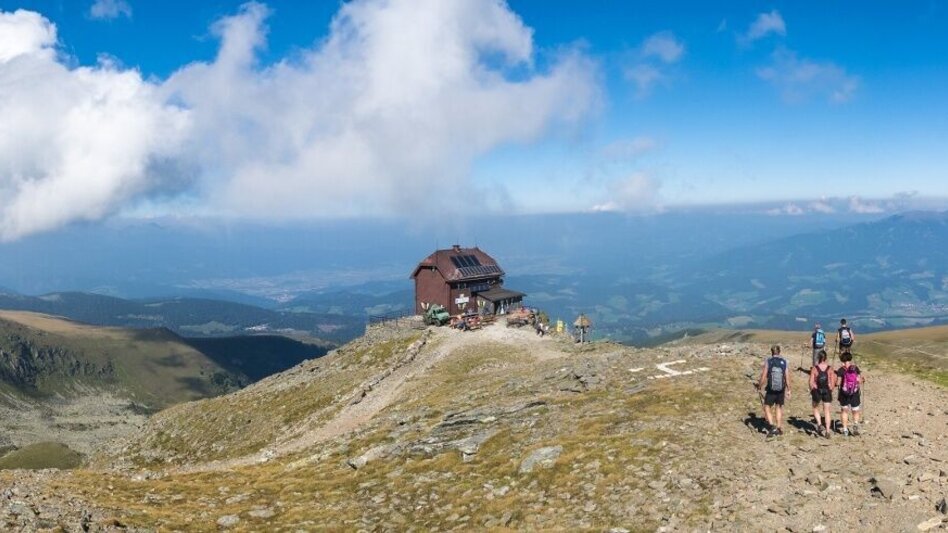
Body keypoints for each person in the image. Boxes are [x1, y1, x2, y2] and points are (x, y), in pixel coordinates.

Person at [757, 345, 791, 437]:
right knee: (778, 407)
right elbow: (787, 377)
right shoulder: (784, 362)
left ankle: (772, 426)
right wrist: (789, 389)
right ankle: (779, 427)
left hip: (771, 389)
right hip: (781, 389)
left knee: (767, 406)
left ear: (771, 352)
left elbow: (764, 376)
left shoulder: (768, 361)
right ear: (779, 352)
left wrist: (759, 386)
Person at [835, 351, 864, 436]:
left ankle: (845, 430)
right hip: (854, 393)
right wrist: (862, 380)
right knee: (855, 410)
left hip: (844, 394)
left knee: (844, 411)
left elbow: (838, 383)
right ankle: (855, 425)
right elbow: (859, 381)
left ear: (842, 360)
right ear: (850, 359)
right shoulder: (855, 368)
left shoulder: (840, 370)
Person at [808, 350, 835, 438]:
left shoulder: (814, 368)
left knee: (815, 407)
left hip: (817, 391)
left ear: (818, 358)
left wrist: (812, 390)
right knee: (827, 411)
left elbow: (811, 382)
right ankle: (827, 431)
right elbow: (832, 381)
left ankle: (819, 424)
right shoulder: (830, 368)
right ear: (826, 358)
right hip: (827, 391)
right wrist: (831, 389)